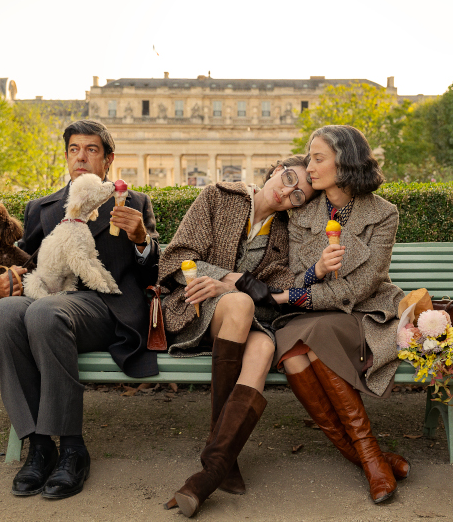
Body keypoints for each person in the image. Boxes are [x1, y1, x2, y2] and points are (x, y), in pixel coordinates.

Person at [0, 120, 160, 500]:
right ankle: (40, 445)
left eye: (91, 149)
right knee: (2, 315)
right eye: (74, 149)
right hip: (48, 304)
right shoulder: (41, 208)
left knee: (46, 312)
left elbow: (156, 272)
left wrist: (141, 239)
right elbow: (25, 265)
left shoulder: (133, 203)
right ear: (66, 157)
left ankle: (74, 448)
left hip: (104, 309)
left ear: (108, 160)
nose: (81, 156)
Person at [156, 156, 316, 517]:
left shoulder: (285, 232)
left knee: (263, 347)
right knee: (241, 302)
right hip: (193, 308)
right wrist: (234, 281)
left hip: (244, 323)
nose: (287, 191)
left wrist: (309, 275)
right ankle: (223, 459)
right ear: (275, 169)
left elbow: (275, 288)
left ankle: (212, 469)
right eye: (288, 177)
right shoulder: (217, 196)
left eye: (298, 195)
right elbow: (177, 258)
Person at [271, 125, 408, 504]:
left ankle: (367, 456)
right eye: (309, 157)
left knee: (312, 341)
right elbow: (295, 273)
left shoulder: (383, 214)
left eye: (318, 158)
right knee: (299, 350)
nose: (309, 167)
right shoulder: (303, 212)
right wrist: (312, 272)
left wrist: (297, 296)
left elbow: (366, 282)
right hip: (308, 316)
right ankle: (368, 457)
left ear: (343, 161)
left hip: (361, 314)